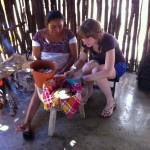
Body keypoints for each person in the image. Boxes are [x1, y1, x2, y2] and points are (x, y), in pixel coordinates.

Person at [15, 10, 78, 139]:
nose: (58, 29)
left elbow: (74, 56)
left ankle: (55, 102)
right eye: (53, 26)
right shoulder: (38, 36)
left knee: (62, 88)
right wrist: (44, 72)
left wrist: (63, 71)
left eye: (60, 26)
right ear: (46, 24)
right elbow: (36, 57)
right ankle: (27, 123)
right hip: (46, 70)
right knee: (39, 90)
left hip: (64, 70)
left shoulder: (69, 34)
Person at [64, 18, 126, 118]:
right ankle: (89, 92)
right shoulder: (86, 42)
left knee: (97, 71)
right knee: (86, 67)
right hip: (101, 61)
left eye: (87, 39)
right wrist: (72, 70)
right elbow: (81, 60)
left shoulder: (108, 40)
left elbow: (107, 71)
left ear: (97, 35)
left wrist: (82, 79)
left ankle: (111, 102)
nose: (84, 42)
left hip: (117, 65)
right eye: (83, 39)